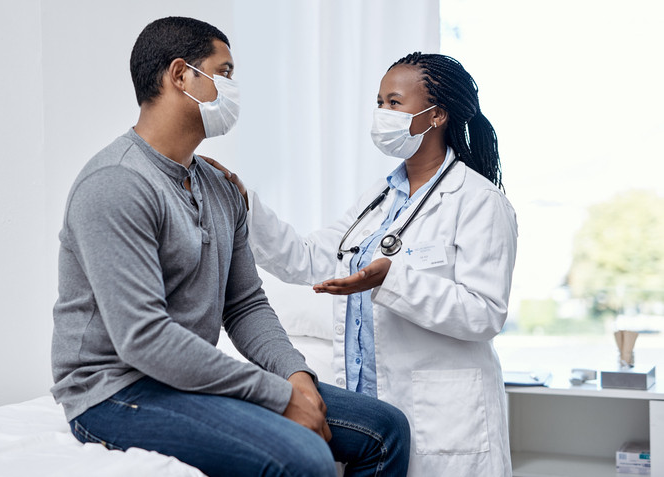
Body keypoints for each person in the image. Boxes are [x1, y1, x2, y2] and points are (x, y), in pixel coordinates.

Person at [50, 16, 411, 477]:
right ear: (181, 75)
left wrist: (296, 377)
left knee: (386, 428)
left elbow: (244, 304)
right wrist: (278, 396)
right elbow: (144, 339)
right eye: (225, 73)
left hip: (182, 381)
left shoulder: (219, 188)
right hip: (117, 391)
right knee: (303, 458)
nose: (232, 87)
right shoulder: (117, 183)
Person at [210, 52, 518, 476]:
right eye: (379, 103)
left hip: (443, 421)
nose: (382, 114)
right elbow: (308, 257)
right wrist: (246, 204)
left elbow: (485, 314)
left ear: (436, 116)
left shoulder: (480, 201)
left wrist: (393, 280)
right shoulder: (379, 197)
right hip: (372, 414)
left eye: (394, 103)